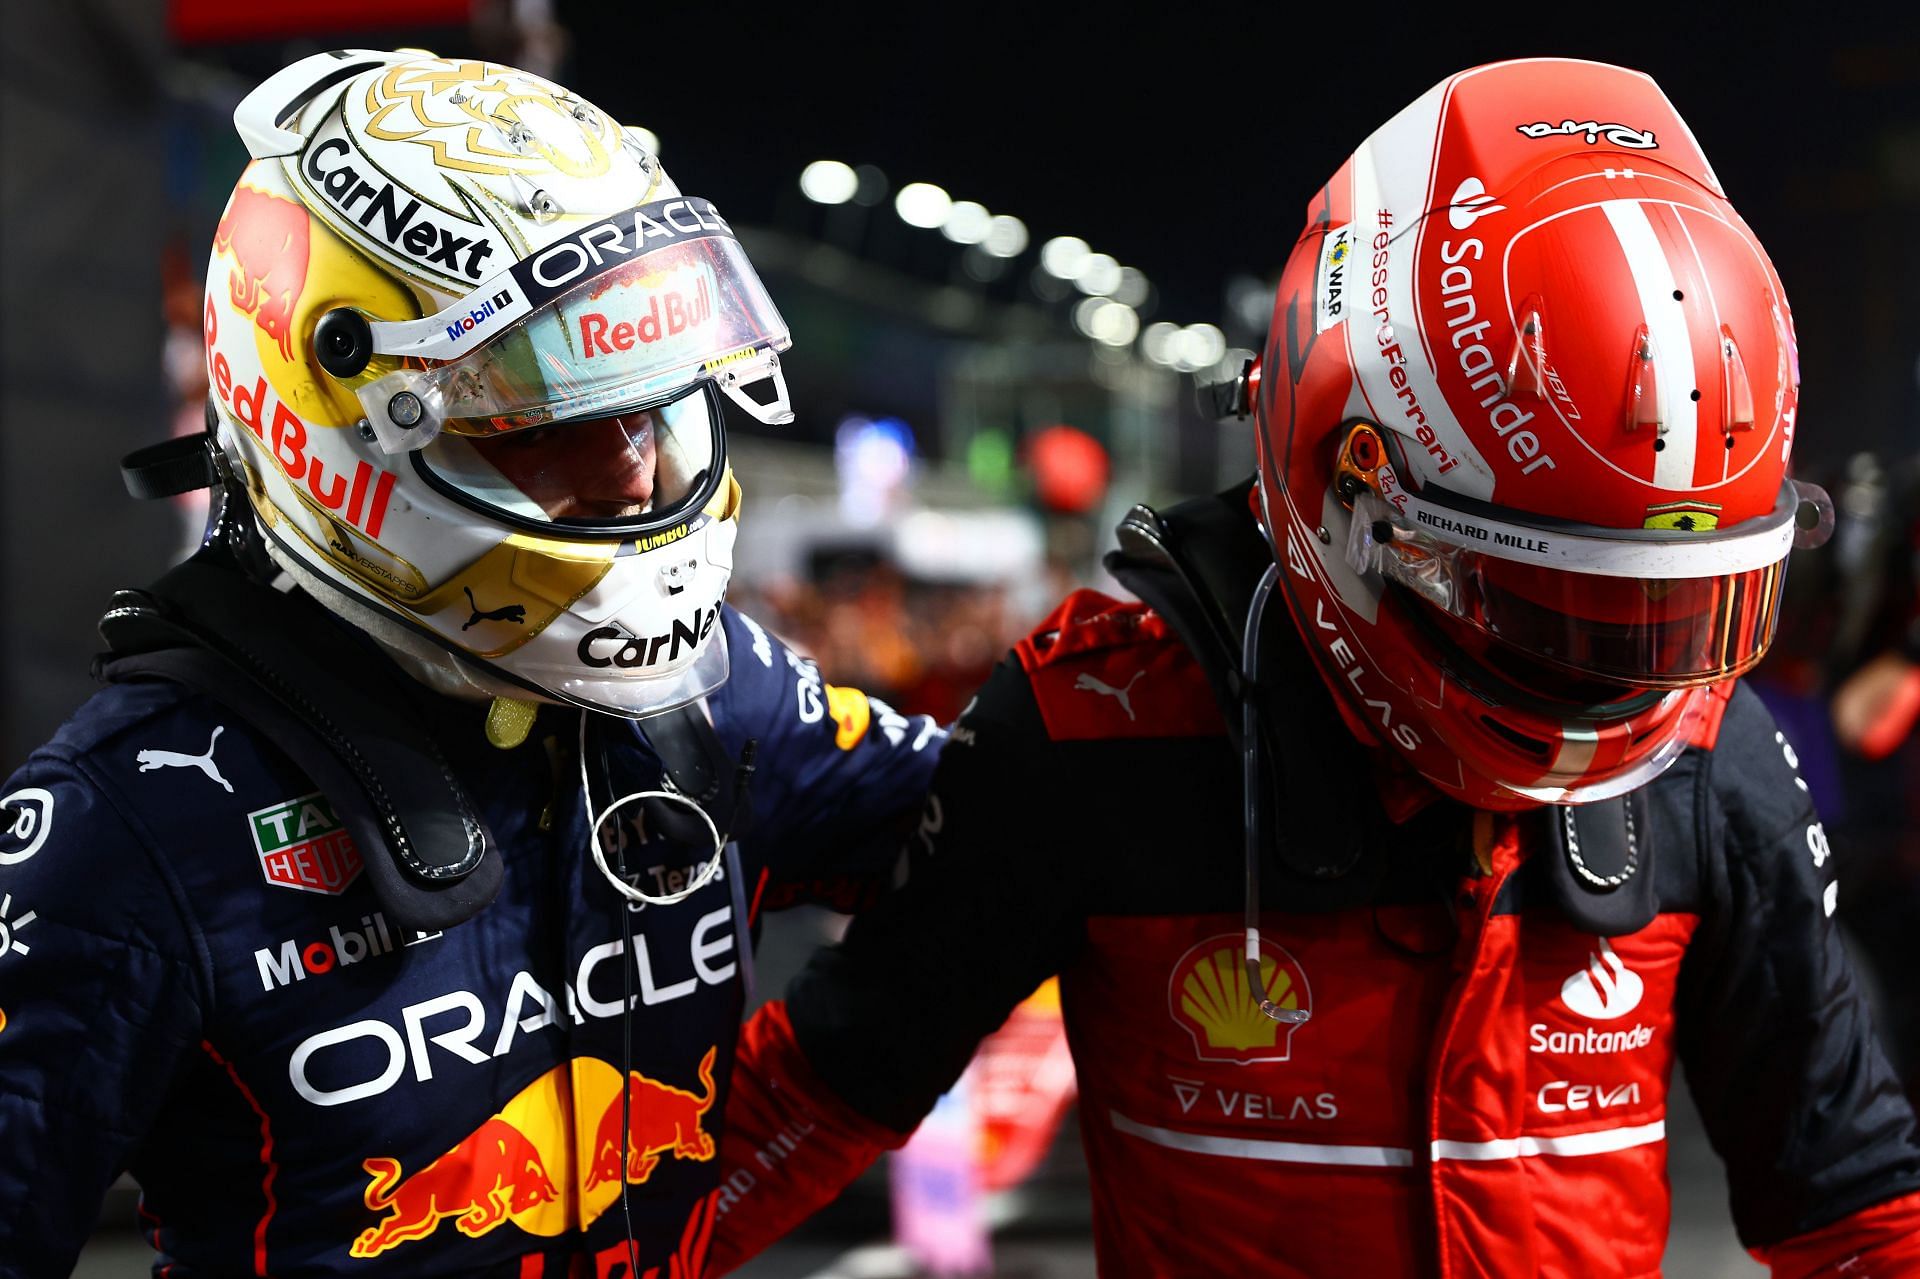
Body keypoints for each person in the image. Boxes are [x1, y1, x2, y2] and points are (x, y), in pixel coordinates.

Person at [709, 59, 1920, 1277]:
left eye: (1664, 620)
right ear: (1349, 483)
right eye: (1543, 607)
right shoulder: (1092, 727)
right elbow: (822, 1088)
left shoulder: (1710, 748)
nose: (1614, 680)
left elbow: (1855, 1198)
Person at [0, 50, 943, 1278]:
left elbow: (1022, 822)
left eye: (652, 399)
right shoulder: (126, 817)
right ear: (329, 429)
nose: (634, 472)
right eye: (539, 419)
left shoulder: (720, 691)